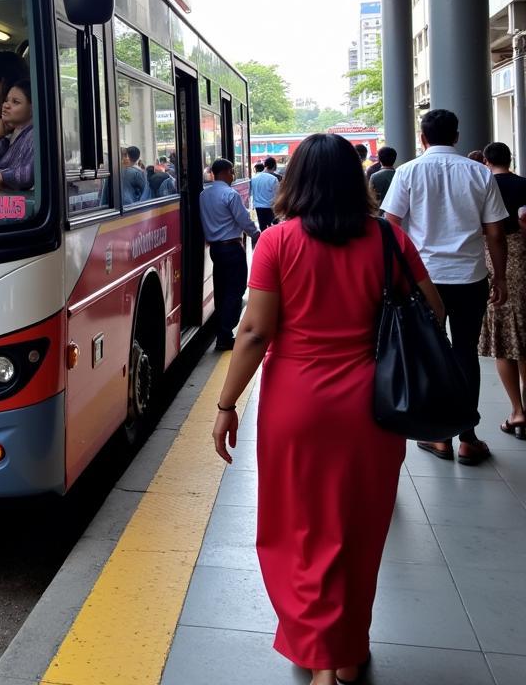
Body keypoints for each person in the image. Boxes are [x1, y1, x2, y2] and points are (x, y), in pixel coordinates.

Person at [212, 134, 443, 685]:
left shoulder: (277, 241)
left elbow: (253, 332)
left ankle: (317, 654)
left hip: (298, 403)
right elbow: (432, 309)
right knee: (359, 528)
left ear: (295, 181)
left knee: (300, 527)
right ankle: (344, 651)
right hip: (374, 405)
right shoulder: (388, 238)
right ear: (355, 178)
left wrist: (226, 404)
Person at [380, 108, 509, 465]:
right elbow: (496, 233)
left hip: (422, 280)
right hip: (469, 277)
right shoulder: (480, 173)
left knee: (428, 352)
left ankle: (438, 437)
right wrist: (499, 276)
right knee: (465, 352)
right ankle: (468, 438)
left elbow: (391, 225)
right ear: (456, 136)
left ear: (423, 138)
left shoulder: (407, 172)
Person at [478, 141, 526, 438]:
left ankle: (518, 411)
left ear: (485, 160)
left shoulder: (482, 186)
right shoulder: (524, 184)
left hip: (496, 265)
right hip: (524, 260)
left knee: (505, 342)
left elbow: (489, 232)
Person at [199, 158, 259, 351]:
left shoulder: (204, 195)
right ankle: (225, 334)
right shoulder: (230, 194)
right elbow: (243, 219)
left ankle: (222, 332)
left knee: (222, 290)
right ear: (224, 172)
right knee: (236, 289)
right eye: (232, 171)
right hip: (232, 249)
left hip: (216, 250)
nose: (233, 175)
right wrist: (257, 234)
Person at [250, 158, 279, 230]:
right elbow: (277, 195)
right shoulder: (273, 179)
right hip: (270, 208)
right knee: (273, 229)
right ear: (274, 166)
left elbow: (251, 193)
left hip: (258, 207)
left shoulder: (254, 178)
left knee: (262, 228)